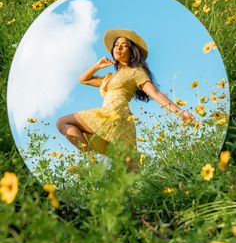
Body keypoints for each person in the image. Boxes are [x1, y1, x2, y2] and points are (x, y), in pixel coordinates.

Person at [56, 28, 196, 172]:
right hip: (115, 118)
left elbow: (155, 92)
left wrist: (180, 113)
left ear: (132, 52)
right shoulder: (110, 77)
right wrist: (97, 66)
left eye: (124, 45)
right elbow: (83, 79)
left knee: (62, 122)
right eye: (116, 45)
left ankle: (92, 163)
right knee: (131, 170)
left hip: (114, 115)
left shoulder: (136, 72)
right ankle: (94, 163)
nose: (119, 47)